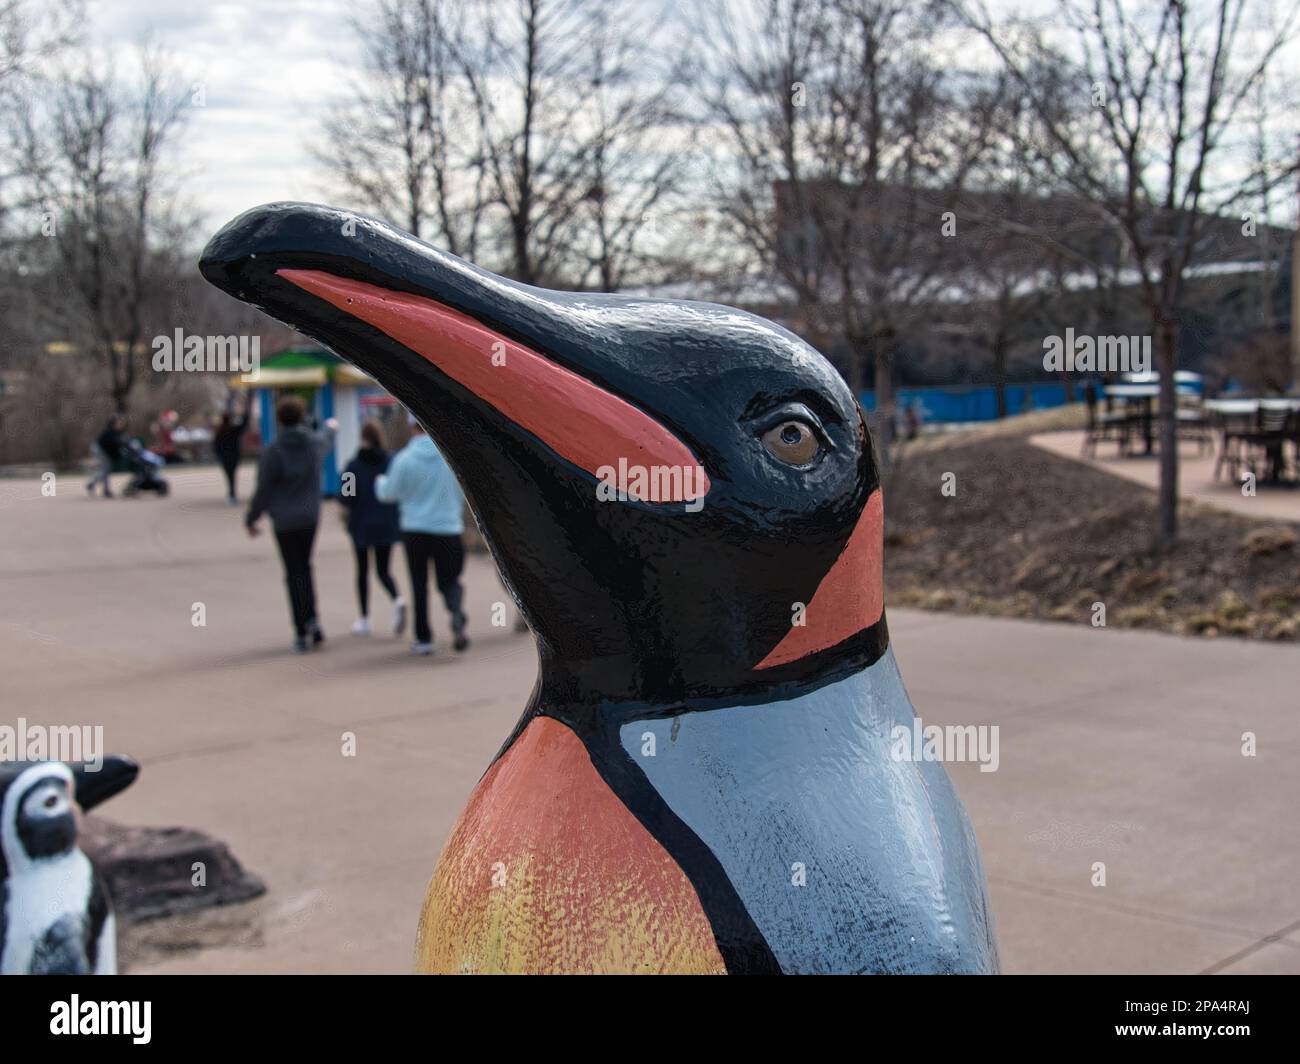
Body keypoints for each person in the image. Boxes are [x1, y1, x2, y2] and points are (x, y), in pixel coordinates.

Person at [245, 396, 337, 653]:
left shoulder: (273, 451)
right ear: (301, 417)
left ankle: (300, 630)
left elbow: (263, 489)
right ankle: (314, 622)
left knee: (293, 571)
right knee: (305, 568)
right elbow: (328, 438)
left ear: (279, 420)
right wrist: (331, 425)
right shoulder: (314, 444)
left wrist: (252, 518)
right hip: (309, 517)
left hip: (284, 520)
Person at [377, 418, 468, 656]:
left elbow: (389, 493)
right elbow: (464, 491)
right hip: (448, 527)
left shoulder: (405, 459)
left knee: (419, 584)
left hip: (415, 529)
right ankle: (456, 611)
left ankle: (423, 637)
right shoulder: (450, 456)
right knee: (449, 580)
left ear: (411, 427)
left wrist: (379, 483)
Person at [340, 420, 405, 637]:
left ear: (363, 438)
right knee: (383, 570)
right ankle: (398, 599)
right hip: (386, 523)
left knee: (362, 572)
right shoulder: (391, 462)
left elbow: (345, 498)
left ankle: (364, 618)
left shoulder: (352, 466)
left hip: (360, 525)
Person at [213, 394, 253, 503]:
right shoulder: (233, 431)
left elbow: (216, 445)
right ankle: (232, 492)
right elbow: (244, 425)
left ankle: (231, 492)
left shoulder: (219, 432)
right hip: (234, 455)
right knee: (232, 474)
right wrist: (246, 411)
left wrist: (218, 455)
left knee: (229, 475)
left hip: (225, 457)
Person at [86, 414, 127, 498]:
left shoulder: (117, 432)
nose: (121, 424)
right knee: (106, 469)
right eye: (119, 423)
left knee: (106, 469)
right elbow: (113, 445)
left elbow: (117, 446)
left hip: (103, 450)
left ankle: (100, 488)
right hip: (99, 449)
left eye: (122, 423)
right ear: (114, 423)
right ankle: (97, 487)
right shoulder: (110, 431)